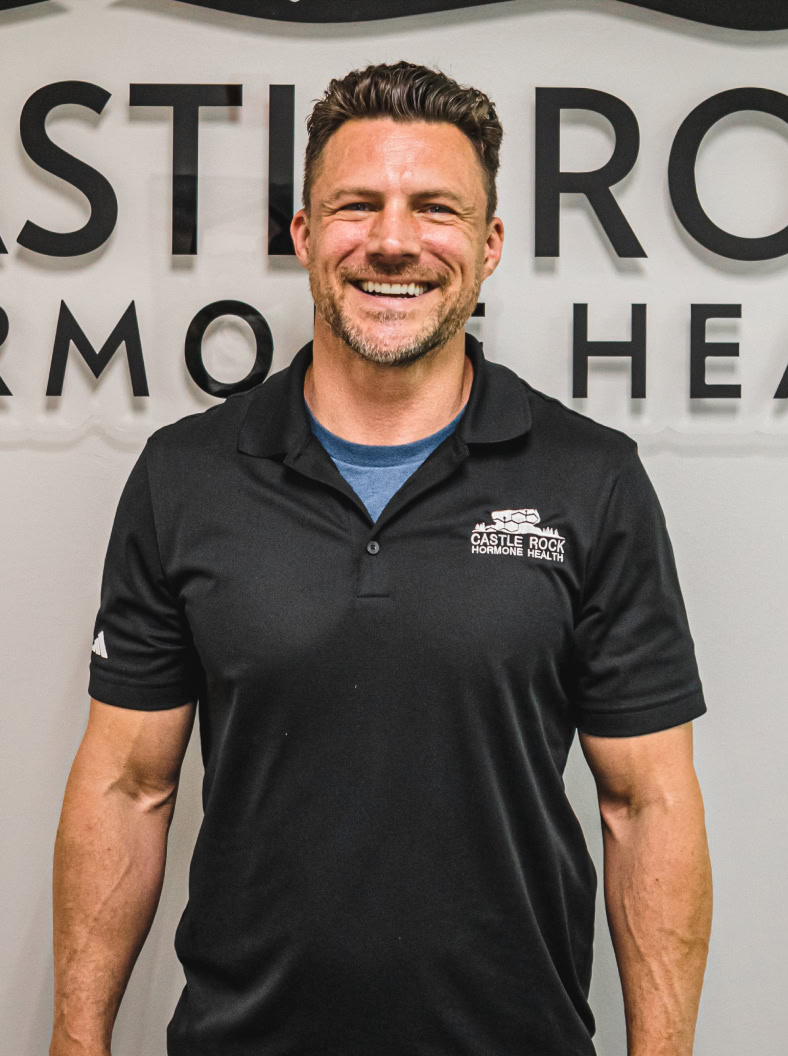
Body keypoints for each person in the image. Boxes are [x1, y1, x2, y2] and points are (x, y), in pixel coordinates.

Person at [51, 61, 712, 1056]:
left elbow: (646, 801)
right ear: (305, 235)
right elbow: (126, 785)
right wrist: (76, 1039)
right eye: (356, 204)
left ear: (487, 247)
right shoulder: (184, 477)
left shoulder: (590, 481)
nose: (393, 241)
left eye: (435, 209)